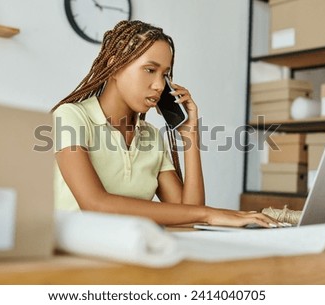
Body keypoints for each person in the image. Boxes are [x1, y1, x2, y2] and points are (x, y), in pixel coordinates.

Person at [52, 20, 277, 228]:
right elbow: (95, 205)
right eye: (150, 70)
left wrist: (190, 137)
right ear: (115, 66)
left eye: (165, 74)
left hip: (132, 253)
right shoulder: (71, 117)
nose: (160, 85)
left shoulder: (150, 136)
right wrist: (208, 214)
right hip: (74, 259)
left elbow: (187, 216)